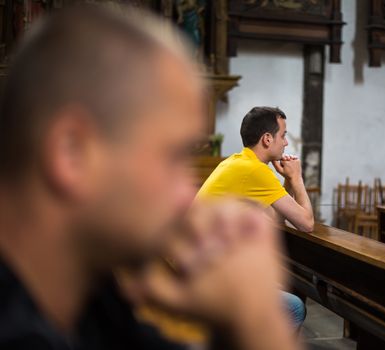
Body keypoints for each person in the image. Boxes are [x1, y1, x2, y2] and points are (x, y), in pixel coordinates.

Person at [0, 5, 301, 350]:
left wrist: (239, 315)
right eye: (172, 157)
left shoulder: (91, 289)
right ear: (71, 152)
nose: (187, 196)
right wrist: (259, 318)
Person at [196, 107, 315, 329]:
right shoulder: (255, 170)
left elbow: (275, 222)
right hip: (202, 279)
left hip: (198, 268)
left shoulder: (237, 162)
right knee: (293, 307)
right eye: (284, 135)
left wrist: (287, 181)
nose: (286, 143)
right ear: (267, 139)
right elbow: (307, 224)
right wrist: (297, 178)